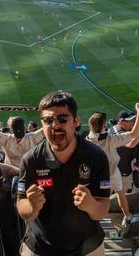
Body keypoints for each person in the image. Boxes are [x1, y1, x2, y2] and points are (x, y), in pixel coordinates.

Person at [16, 91, 110, 255]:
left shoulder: (96, 157)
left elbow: (103, 207)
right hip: (40, 247)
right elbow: (21, 205)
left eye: (62, 118)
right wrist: (31, 207)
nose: (56, 125)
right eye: (48, 120)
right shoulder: (30, 160)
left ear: (75, 121)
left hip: (88, 247)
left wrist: (91, 205)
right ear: (42, 125)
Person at [86, 107, 139, 226]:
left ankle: (96, 218)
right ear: (103, 127)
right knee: (117, 195)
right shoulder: (110, 139)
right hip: (111, 174)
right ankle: (127, 216)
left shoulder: (87, 140)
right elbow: (133, 134)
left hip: (99, 176)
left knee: (102, 197)